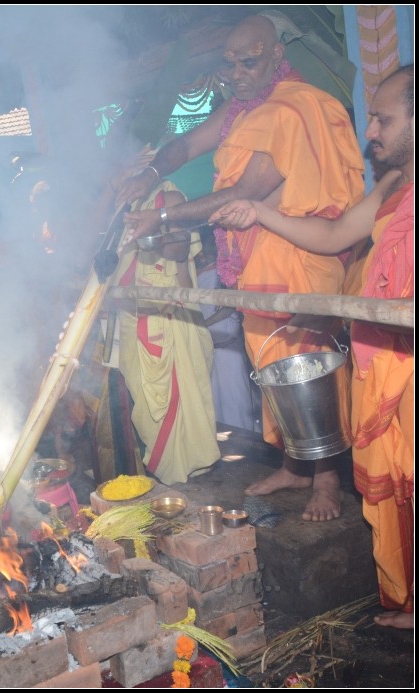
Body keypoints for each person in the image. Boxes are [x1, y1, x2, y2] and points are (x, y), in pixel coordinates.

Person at [118, 14, 365, 521]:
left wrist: (160, 216)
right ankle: (294, 467)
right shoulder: (240, 111)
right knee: (271, 369)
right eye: (229, 63)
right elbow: (188, 144)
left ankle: (327, 480)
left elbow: (245, 192)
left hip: (302, 258)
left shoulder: (294, 110)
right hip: (256, 261)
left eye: (248, 62)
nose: (235, 73)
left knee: (309, 369)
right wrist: (150, 171)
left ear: (276, 56)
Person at [211, 65, 414, 629]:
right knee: (402, 486)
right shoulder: (394, 187)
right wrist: (260, 213)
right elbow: (331, 236)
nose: (370, 131)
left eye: (383, 119)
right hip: (388, 358)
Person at [113, 181, 220, 485]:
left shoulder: (170, 198)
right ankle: (167, 480)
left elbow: (179, 250)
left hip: (172, 319)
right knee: (147, 412)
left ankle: (193, 482)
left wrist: (154, 226)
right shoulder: (124, 206)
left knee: (184, 406)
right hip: (133, 322)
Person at [194, 232, 260, 432]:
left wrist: (204, 324)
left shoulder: (225, 272)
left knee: (236, 402)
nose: (201, 254)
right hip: (210, 349)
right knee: (217, 404)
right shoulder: (196, 274)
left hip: (229, 350)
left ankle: (246, 442)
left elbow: (231, 306)